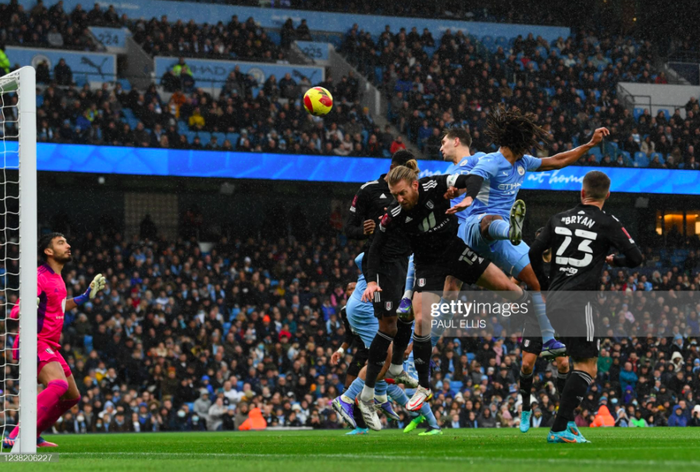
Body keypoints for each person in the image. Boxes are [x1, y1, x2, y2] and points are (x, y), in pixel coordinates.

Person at [441, 109, 610, 358]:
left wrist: (589, 144)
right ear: (516, 143)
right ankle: (510, 230)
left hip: (503, 239)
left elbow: (558, 161)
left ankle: (549, 340)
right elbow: (475, 179)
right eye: (526, 143)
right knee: (488, 225)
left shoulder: (522, 162)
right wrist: (468, 198)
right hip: (474, 230)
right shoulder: (491, 160)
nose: (529, 148)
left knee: (537, 281)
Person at [363, 159, 528, 412]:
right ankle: (424, 387)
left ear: (415, 185)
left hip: (456, 251)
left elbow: (473, 179)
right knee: (421, 321)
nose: (398, 199)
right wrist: (372, 282)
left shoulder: (434, 185)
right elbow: (375, 248)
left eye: (402, 193)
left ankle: (545, 325)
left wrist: (468, 198)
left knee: (511, 290)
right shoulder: (394, 214)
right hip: (428, 267)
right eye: (394, 194)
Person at [529, 171, 642, 443]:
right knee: (588, 366)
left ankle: (565, 425)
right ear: (608, 195)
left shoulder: (558, 218)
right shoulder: (608, 222)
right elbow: (637, 258)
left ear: (582, 192)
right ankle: (559, 428)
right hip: (581, 301)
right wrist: (614, 261)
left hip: (554, 300)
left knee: (571, 362)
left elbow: (534, 252)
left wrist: (545, 285)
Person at [3, 233, 106, 449]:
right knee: (58, 384)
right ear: (48, 251)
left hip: (49, 345)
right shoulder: (39, 277)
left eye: (67, 241)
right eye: (61, 243)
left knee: (72, 396)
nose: (68, 245)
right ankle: (17, 433)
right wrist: (26, 306)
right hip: (34, 343)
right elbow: (14, 312)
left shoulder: (57, 277)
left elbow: (58, 305)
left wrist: (86, 295)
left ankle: (35, 435)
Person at [343, 151, 419, 424]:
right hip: (377, 264)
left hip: (401, 263)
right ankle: (359, 402)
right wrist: (362, 230)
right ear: (393, 169)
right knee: (385, 342)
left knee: (400, 322)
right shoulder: (369, 191)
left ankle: (376, 398)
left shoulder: (413, 195)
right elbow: (348, 228)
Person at [329, 282, 370, 435]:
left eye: (354, 287)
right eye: (348, 288)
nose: (351, 290)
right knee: (349, 387)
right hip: (361, 351)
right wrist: (340, 350)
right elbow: (349, 335)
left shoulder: (369, 305)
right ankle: (360, 426)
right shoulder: (345, 311)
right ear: (345, 293)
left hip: (376, 348)